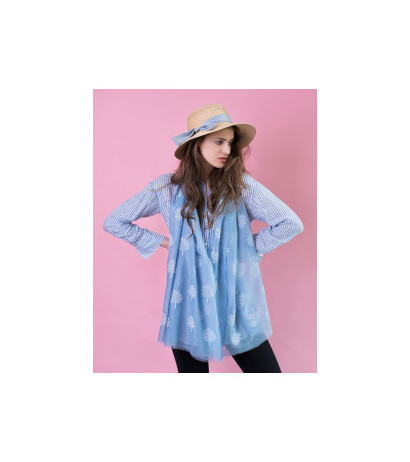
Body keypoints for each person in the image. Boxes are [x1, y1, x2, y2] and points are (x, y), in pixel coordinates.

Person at [103, 103, 304, 373]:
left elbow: (290, 223)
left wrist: (245, 249)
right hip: (186, 305)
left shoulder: (241, 186)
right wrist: (165, 243)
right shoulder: (166, 188)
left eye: (230, 143)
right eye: (219, 141)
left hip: (235, 305)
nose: (227, 150)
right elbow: (114, 221)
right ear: (196, 144)